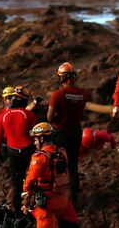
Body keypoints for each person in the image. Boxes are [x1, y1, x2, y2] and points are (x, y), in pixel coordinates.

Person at [47, 62, 92, 205]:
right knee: (73, 166)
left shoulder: (57, 95)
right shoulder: (84, 94)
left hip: (60, 132)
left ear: (61, 78)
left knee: (58, 166)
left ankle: (60, 198)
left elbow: (49, 117)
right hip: (76, 131)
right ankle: (75, 200)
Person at [23, 122, 78, 228]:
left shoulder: (39, 157)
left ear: (42, 139)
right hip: (63, 200)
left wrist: (27, 195)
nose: (34, 143)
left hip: (47, 203)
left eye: (35, 139)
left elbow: (29, 182)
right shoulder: (61, 153)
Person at [0, 86, 37, 215]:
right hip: (29, 151)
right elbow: (37, 135)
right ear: (24, 102)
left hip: (12, 153)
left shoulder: (3, 115)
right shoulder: (29, 114)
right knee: (33, 180)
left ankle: (17, 212)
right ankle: (33, 208)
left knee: (15, 183)